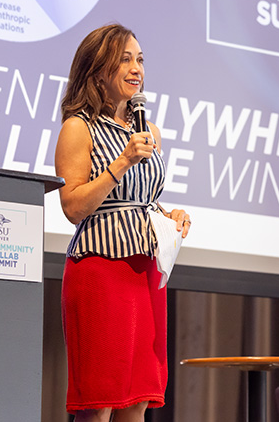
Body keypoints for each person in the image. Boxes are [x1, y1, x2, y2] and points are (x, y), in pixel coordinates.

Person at [55, 23, 191, 422]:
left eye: (140, 59)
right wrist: (122, 161)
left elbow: (139, 200)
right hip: (101, 270)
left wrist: (169, 215)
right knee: (98, 404)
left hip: (146, 269)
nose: (137, 69)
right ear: (97, 70)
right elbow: (73, 206)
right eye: (125, 60)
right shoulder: (78, 128)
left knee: (138, 400)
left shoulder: (148, 131)